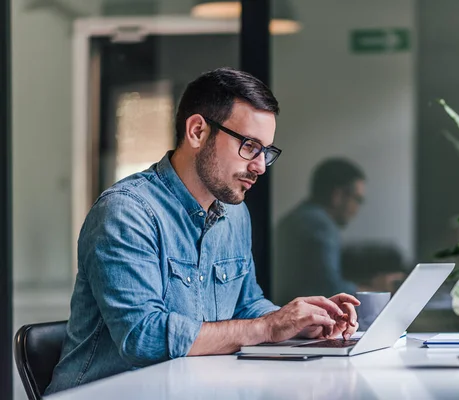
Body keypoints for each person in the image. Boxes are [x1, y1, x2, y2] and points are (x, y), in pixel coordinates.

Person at [46, 68, 359, 394]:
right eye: (250, 146)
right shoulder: (126, 213)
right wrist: (268, 327)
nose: (261, 166)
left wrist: (299, 323)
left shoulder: (235, 214)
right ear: (197, 131)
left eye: (266, 151)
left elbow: (245, 307)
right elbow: (142, 337)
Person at [273, 158, 366, 305]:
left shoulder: (296, 217)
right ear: (338, 195)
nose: (357, 209)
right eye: (358, 199)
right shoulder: (320, 225)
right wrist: (373, 289)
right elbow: (329, 289)